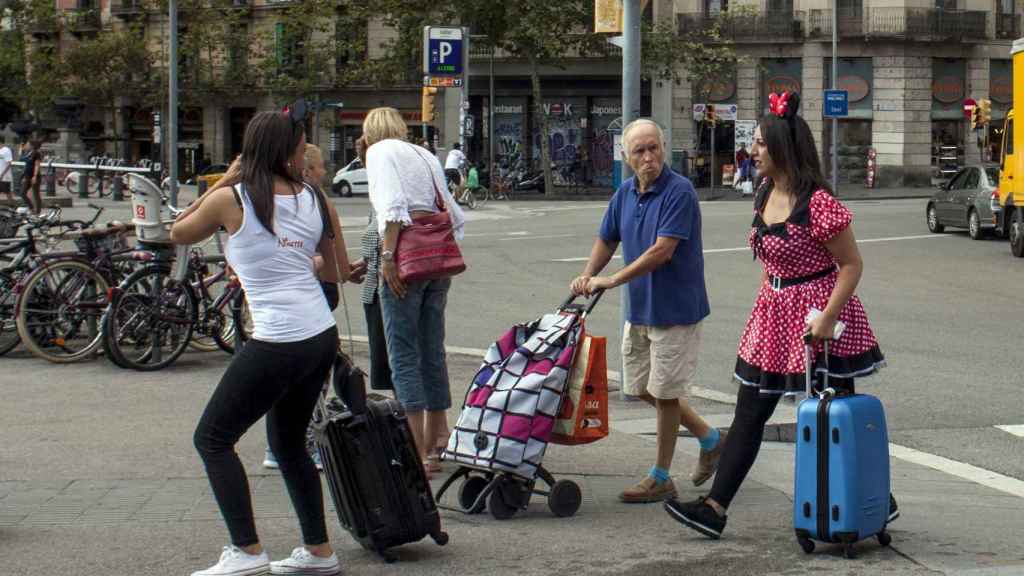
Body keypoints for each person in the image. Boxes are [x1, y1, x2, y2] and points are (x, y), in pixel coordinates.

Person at [664, 92, 894, 540]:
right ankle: (715, 508)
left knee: (836, 416)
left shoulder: (820, 203)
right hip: (773, 317)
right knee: (749, 412)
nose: (754, 150)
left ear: (784, 149)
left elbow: (851, 265)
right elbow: (773, 260)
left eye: (762, 144)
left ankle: (872, 498)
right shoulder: (765, 192)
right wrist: (770, 304)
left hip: (820, 320)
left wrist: (826, 318)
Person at [172, 107, 350, 576]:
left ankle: (247, 552)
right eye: (299, 144)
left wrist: (224, 178)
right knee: (289, 445)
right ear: (288, 149)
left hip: (277, 339)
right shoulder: (314, 196)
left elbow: (178, 231)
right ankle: (318, 550)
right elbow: (332, 274)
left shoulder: (232, 198)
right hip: (318, 335)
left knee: (212, 439)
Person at [571, 118, 724, 504]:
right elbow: (607, 237)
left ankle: (660, 476)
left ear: (663, 147)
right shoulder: (624, 193)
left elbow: (662, 250)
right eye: (639, 151)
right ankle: (710, 438)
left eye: (653, 147)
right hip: (641, 308)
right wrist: (587, 274)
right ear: (625, 157)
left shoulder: (680, 191)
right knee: (640, 387)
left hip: (676, 309)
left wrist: (612, 280)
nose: (648, 157)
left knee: (666, 393)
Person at [363, 107, 465, 477]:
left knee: (402, 353)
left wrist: (388, 257)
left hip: (407, 256)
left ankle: (415, 451)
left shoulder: (379, 153)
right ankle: (439, 439)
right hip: (438, 256)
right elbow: (449, 206)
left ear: (371, 133)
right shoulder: (422, 153)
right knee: (431, 347)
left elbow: (393, 208)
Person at [262, 142, 367, 471]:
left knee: (292, 377)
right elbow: (322, 264)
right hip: (310, 303)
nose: (326, 171)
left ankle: (279, 445)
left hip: (289, 304)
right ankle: (300, 443)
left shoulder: (276, 200)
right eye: (321, 166)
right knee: (311, 376)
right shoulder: (313, 202)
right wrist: (344, 269)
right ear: (306, 169)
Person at [354, 135, 395, 394]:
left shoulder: (385, 186)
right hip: (378, 282)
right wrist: (366, 260)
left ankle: (408, 429)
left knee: (397, 366)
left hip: (385, 284)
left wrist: (374, 257)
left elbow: (377, 234)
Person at [18, 139, 42, 214]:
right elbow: (21, 158)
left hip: (34, 176)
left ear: (32, 145)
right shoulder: (28, 153)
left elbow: (37, 165)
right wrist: (21, 148)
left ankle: (37, 212)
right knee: (22, 193)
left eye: (28, 144)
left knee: (36, 194)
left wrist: (34, 176)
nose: (27, 145)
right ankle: (31, 208)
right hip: (27, 176)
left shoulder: (36, 153)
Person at [0, 137, 14, 203]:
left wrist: (2, 174)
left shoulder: (6, 150)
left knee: (7, 192)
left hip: (5, 176)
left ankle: (12, 206)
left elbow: (9, 163)